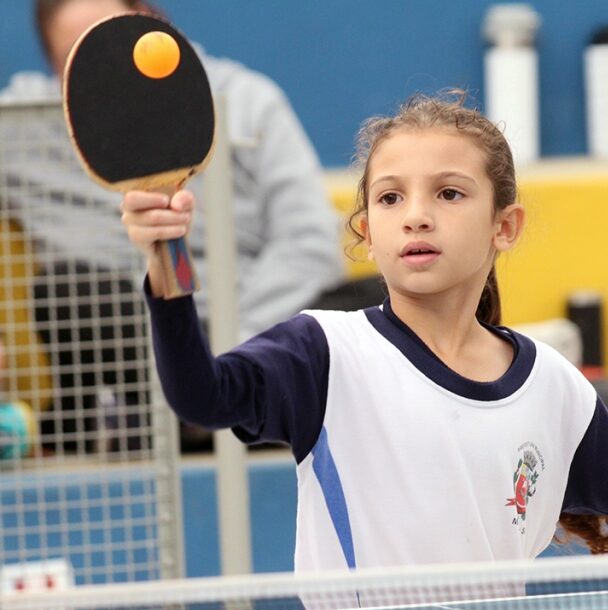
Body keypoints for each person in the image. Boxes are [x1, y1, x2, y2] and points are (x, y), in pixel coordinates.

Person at [122, 91, 608, 586]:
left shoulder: (551, 385)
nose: (415, 215)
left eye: (448, 193)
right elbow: (201, 398)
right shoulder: (323, 353)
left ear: (505, 226)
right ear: (367, 231)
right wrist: (167, 260)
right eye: (391, 197)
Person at [0, 0, 378, 452]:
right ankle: (201, 416)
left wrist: (234, 348)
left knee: (385, 298)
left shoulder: (248, 100)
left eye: (113, 36)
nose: (107, 66)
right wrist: (184, 356)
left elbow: (309, 242)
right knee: (68, 291)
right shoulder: (23, 127)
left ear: (153, 22)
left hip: (256, 323)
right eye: (78, 56)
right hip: (141, 341)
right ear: (54, 71)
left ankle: (220, 409)